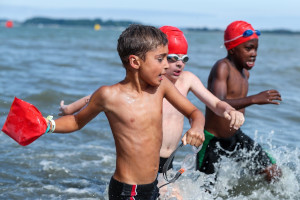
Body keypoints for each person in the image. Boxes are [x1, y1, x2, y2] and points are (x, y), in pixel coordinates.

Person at [59, 26, 245, 198]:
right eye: (169, 58)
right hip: (136, 175)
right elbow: (95, 99)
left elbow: (210, 105)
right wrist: (67, 110)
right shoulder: (135, 88)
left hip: (165, 164)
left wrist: (224, 112)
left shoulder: (181, 82)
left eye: (184, 58)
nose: (177, 64)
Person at [196, 20, 282, 182]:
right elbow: (218, 102)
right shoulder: (222, 67)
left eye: (256, 49)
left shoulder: (245, 74)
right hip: (212, 140)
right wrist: (254, 99)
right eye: (248, 48)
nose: (254, 53)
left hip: (235, 136)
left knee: (272, 171)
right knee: (205, 189)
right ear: (233, 49)